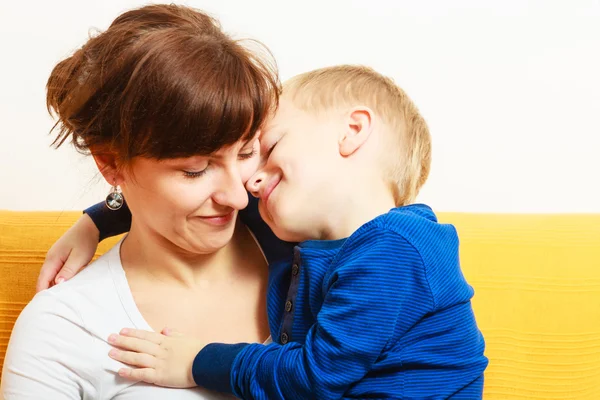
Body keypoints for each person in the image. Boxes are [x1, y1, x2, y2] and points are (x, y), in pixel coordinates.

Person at [42, 66, 489, 399]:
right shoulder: (307, 237)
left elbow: (315, 377)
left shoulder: (396, 250)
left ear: (352, 131)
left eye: (265, 149)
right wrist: (96, 222)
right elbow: (176, 196)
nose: (246, 187)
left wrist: (198, 362)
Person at [0, 4, 283, 399]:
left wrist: (96, 220)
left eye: (247, 150)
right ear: (111, 164)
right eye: (196, 170)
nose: (238, 195)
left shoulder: (317, 249)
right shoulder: (64, 327)